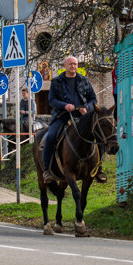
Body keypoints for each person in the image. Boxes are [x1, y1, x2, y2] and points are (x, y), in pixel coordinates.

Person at [42, 56, 107, 184]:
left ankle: (99, 169)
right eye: (70, 64)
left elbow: (93, 99)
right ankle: (47, 171)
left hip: (82, 117)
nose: (73, 66)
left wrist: (86, 108)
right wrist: (64, 106)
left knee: (99, 136)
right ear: (65, 65)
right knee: (50, 137)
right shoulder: (56, 81)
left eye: (75, 64)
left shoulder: (84, 80)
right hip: (62, 116)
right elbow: (52, 100)